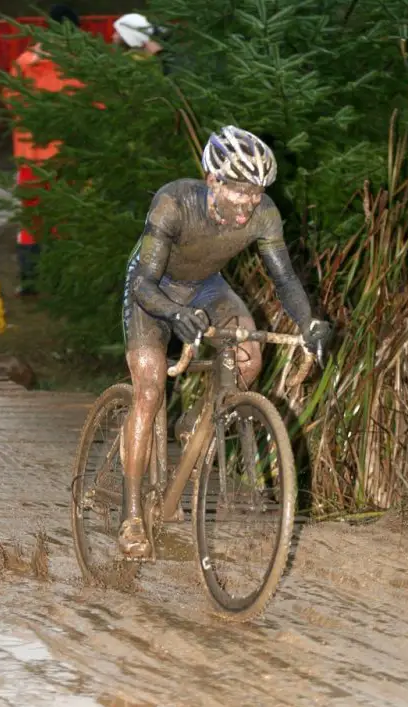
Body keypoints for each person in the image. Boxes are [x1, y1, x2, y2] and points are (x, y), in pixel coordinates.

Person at [120, 125, 332, 558]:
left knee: (249, 358)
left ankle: (195, 425)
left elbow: (285, 279)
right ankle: (132, 514)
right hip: (153, 289)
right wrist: (173, 313)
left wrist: (309, 323)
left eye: (255, 192)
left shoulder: (264, 212)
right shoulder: (173, 202)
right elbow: (145, 282)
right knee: (149, 386)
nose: (248, 202)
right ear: (212, 180)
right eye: (239, 191)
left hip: (207, 288)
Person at [6, 4, 83, 296]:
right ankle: (63, 281)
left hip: (29, 156)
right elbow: (95, 108)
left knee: (32, 218)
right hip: (66, 156)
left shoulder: (23, 63)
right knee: (66, 218)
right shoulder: (77, 64)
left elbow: (12, 105)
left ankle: (30, 279)